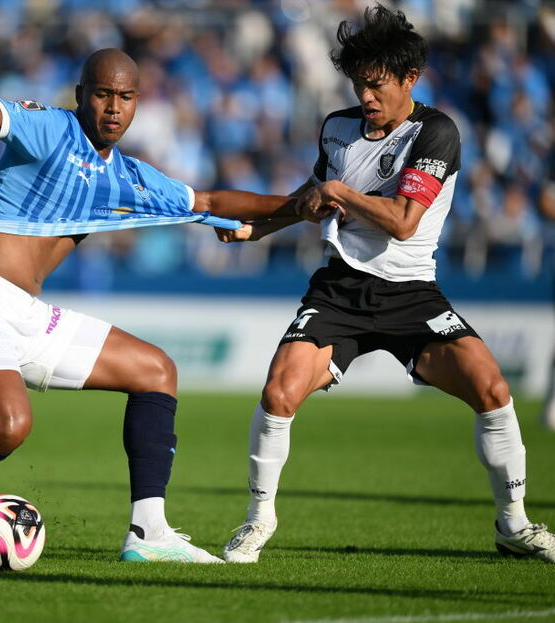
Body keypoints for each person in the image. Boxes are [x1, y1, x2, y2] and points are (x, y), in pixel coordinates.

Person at [0, 48, 295, 564]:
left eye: (126, 97)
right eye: (102, 94)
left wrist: (306, 205)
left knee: (156, 370)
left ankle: (149, 532)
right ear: (80, 96)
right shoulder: (49, 128)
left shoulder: (131, 178)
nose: (113, 107)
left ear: (138, 103)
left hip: (25, 312)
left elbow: (209, 204)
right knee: (8, 428)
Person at [216, 5, 554, 564]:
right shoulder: (337, 127)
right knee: (279, 393)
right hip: (340, 290)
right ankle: (257, 522)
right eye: (358, 85)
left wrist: (342, 194)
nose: (366, 96)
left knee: (492, 390)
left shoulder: (437, 132)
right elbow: (314, 192)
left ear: (409, 79)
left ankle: (513, 525)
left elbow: (402, 221)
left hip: (413, 294)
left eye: (377, 85)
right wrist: (261, 229)